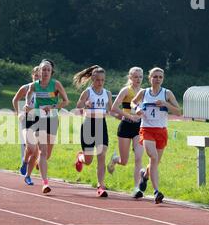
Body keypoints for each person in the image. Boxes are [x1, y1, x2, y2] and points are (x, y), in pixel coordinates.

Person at [131, 67, 181, 204]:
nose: (157, 79)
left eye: (160, 77)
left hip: (161, 131)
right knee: (153, 157)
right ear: (150, 78)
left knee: (155, 162)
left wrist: (165, 104)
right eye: (155, 76)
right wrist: (137, 109)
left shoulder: (167, 93)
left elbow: (178, 112)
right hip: (146, 129)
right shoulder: (144, 92)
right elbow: (133, 102)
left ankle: (144, 176)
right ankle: (156, 191)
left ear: (163, 79)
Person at [24, 59, 69, 194]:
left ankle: (36, 166)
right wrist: (27, 104)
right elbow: (28, 94)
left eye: (48, 70)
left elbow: (66, 101)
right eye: (43, 69)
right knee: (43, 151)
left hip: (53, 119)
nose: (45, 72)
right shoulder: (34, 85)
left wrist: (53, 106)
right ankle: (45, 183)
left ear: (51, 72)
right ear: (39, 71)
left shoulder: (56, 85)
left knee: (47, 154)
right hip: (39, 119)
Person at [73, 65, 113, 198]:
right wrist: (86, 105)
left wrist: (125, 115)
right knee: (88, 160)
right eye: (97, 80)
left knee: (101, 156)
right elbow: (78, 105)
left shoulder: (107, 93)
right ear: (92, 80)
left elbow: (111, 109)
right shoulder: (88, 92)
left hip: (101, 125)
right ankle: (80, 157)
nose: (100, 83)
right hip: (88, 125)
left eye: (102, 80)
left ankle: (100, 186)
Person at [107, 67, 145, 198]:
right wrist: (128, 116)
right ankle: (114, 159)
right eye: (135, 77)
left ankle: (136, 188)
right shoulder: (126, 91)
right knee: (124, 161)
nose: (138, 79)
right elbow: (114, 108)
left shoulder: (144, 92)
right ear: (130, 78)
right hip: (126, 126)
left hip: (139, 127)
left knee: (139, 158)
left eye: (140, 77)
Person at [12, 66, 40, 185]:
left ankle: (28, 176)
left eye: (40, 75)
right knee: (32, 148)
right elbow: (15, 100)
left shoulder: (44, 90)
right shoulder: (25, 88)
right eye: (36, 75)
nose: (38, 78)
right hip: (27, 120)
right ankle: (25, 161)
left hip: (40, 119)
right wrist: (18, 113)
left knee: (36, 152)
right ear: (32, 75)